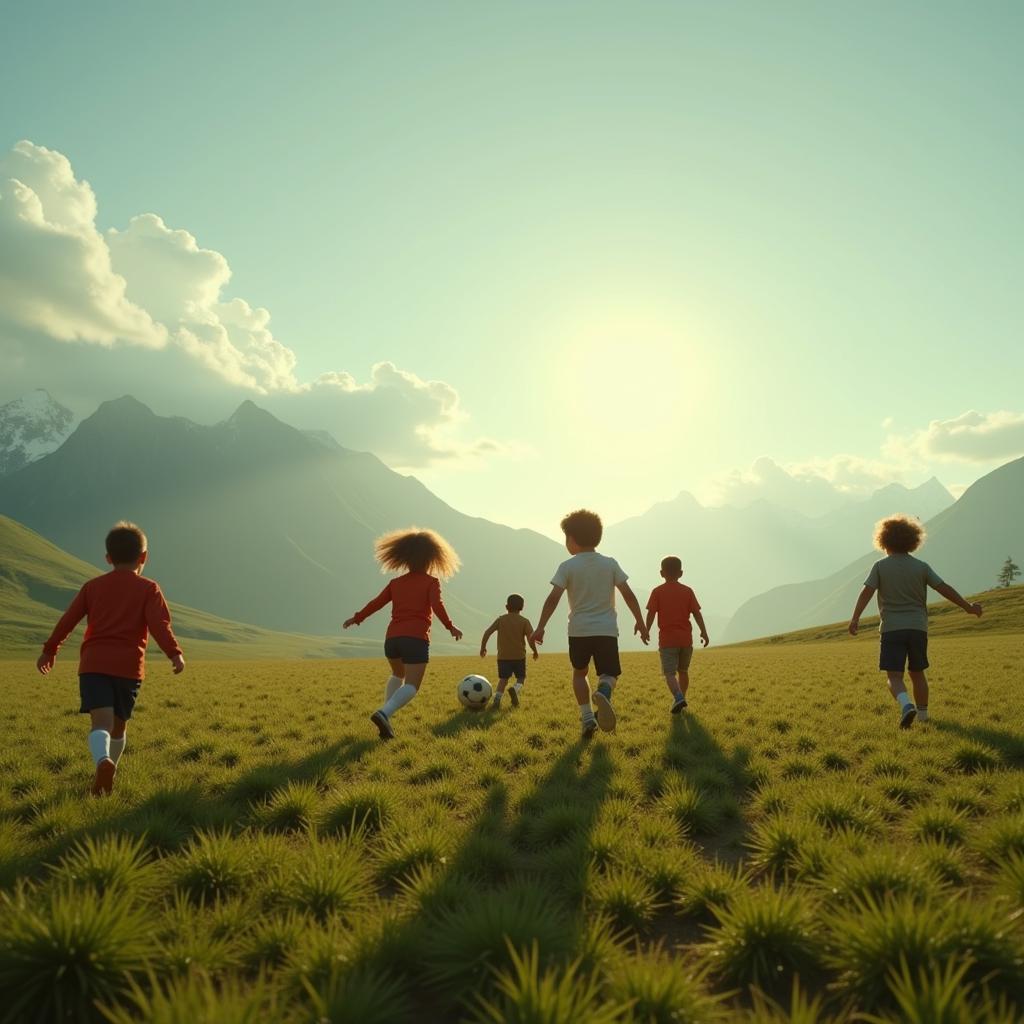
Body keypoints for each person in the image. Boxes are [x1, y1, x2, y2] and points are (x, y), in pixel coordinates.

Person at [36, 521, 185, 796]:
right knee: (118, 727)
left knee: (100, 724)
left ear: (108, 558)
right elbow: (160, 625)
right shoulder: (149, 589)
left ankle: (101, 762)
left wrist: (50, 649)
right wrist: (174, 653)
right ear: (144, 557)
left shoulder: (92, 587)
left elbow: (68, 620)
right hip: (128, 668)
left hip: (93, 665)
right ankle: (109, 770)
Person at [848, 515, 982, 728]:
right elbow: (944, 588)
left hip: (892, 629)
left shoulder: (880, 566)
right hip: (918, 628)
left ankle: (905, 705)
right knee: (918, 673)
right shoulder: (921, 566)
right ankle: (923, 717)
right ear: (912, 540)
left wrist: (855, 618)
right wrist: (968, 608)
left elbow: (866, 592)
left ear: (883, 540)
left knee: (894, 676)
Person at [531, 509, 648, 738]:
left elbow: (553, 599)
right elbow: (629, 595)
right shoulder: (610, 564)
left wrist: (541, 626)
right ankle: (603, 691)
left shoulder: (567, 567)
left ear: (572, 539)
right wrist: (640, 622)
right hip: (606, 630)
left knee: (579, 672)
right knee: (609, 674)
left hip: (579, 631)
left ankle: (586, 718)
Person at [344, 528, 463, 740]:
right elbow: (437, 606)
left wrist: (357, 618)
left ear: (405, 559)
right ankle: (383, 713)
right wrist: (451, 627)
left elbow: (376, 603)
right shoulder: (431, 582)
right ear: (431, 559)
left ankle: (385, 719)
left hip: (392, 640)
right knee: (411, 685)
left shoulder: (396, 583)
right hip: (415, 639)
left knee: (397, 674)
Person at [643, 556, 708, 713]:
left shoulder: (657, 592)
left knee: (669, 673)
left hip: (667, 640)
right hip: (686, 639)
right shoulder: (687, 591)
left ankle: (679, 697)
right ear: (681, 573)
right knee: (683, 671)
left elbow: (651, 614)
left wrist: (646, 630)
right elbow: (697, 614)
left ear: (661, 573)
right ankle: (681, 698)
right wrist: (704, 631)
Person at [479, 593, 538, 709]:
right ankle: (515, 689)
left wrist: (483, 647)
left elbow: (487, 633)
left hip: (503, 657)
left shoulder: (501, 620)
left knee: (503, 679)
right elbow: (531, 639)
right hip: (519, 656)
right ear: (522, 607)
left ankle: (497, 699)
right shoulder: (524, 621)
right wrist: (535, 651)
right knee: (521, 678)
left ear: (506, 607)